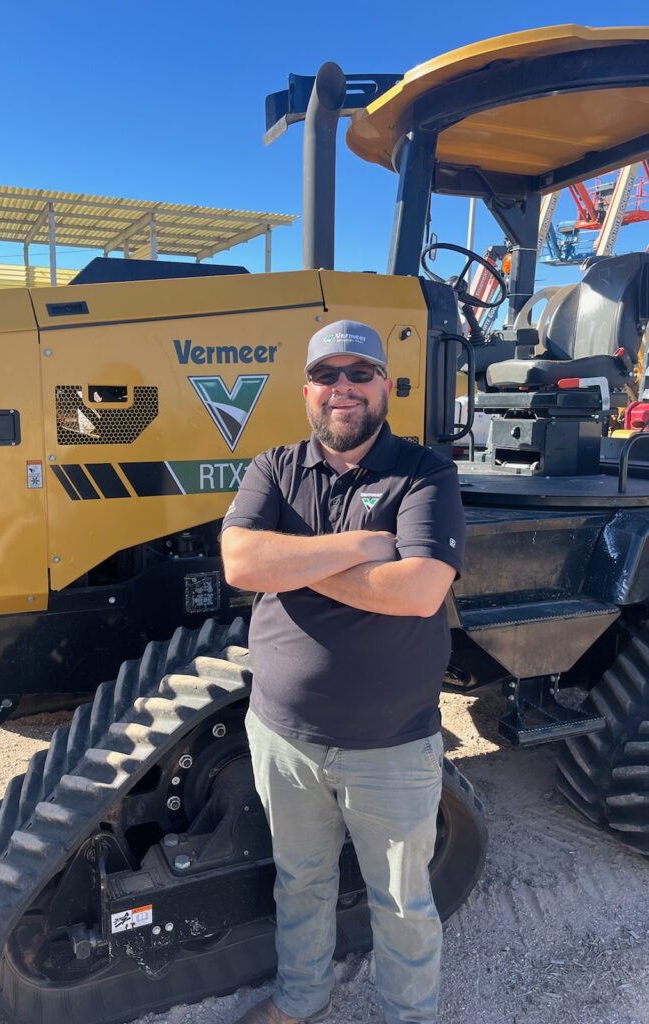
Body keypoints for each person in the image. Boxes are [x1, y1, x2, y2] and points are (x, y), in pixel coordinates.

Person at [221, 320, 466, 1024]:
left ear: (385, 385)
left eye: (360, 373)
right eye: (328, 374)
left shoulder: (424, 473)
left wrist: (295, 563)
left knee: (401, 901)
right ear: (307, 390)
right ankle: (301, 999)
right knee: (300, 882)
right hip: (283, 737)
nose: (343, 388)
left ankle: (407, 1015)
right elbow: (240, 563)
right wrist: (358, 547)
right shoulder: (274, 467)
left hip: (390, 746)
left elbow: (419, 591)